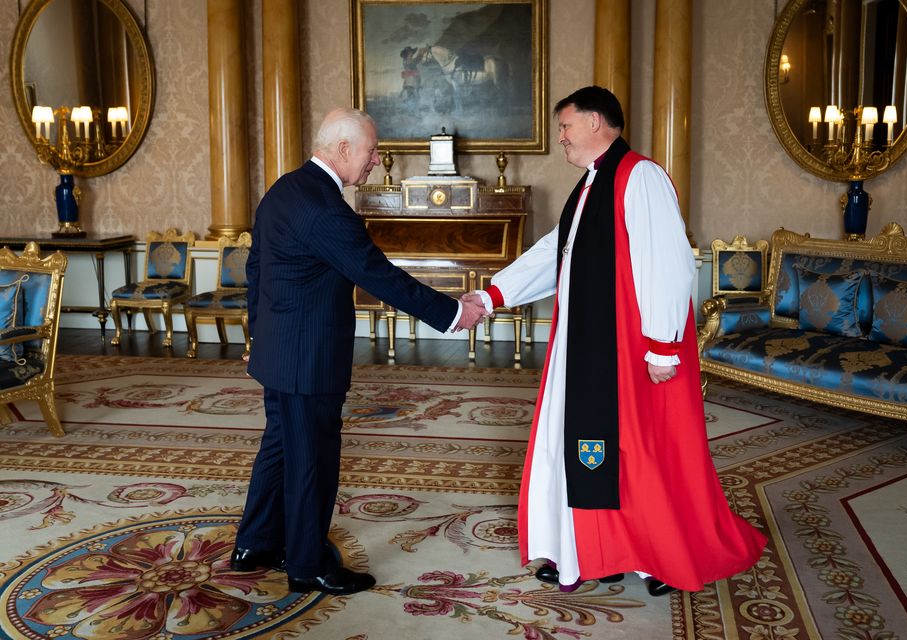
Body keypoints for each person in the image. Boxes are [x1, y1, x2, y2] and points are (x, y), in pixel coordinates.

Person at [464, 86, 767, 595]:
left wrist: (664, 346)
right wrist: (493, 295)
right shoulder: (589, 186)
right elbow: (553, 253)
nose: (559, 137)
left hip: (632, 351)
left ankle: (658, 557)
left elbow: (667, 261)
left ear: (596, 122)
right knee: (587, 449)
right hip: (582, 345)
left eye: (565, 126)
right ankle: (587, 552)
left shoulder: (638, 177)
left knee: (641, 453)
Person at [231, 107, 488, 596]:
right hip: (309, 363)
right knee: (312, 462)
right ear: (344, 148)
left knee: (280, 447)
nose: (375, 160)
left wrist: (258, 341)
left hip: (280, 355)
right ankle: (306, 565)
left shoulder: (284, 189)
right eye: (371, 151)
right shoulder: (325, 209)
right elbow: (380, 275)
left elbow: (256, 273)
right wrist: (452, 314)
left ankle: (255, 545)